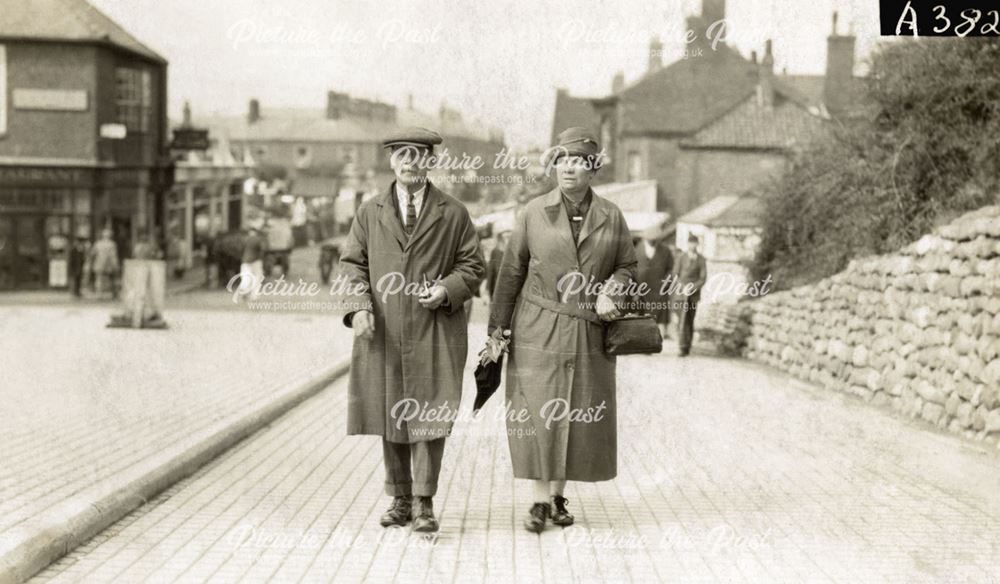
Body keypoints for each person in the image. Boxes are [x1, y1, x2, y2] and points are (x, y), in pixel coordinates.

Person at [488, 127, 637, 533]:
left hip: (590, 329)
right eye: (563, 160)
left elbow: (627, 265)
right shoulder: (533, 212)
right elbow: (511, 272)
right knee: (540, 412)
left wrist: (614, 289)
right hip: (538, 328)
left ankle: (557, 496)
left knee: (576, 411)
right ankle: (538, 500)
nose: (569, 168)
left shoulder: (611, 215)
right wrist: (497, 334)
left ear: (593, 169)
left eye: (578, 161)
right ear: (554, 164)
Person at [338, 127, 485, 533]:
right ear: (391, 162)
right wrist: (358, 308)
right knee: (391, 412)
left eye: (417, 155)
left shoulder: (453, 213)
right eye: (401, 154)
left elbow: (473, 266)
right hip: (385, 329)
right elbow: (351, 264)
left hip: (434, 328)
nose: (409, 162)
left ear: (431, 161)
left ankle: (424, 501)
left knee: (429, 414)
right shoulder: (370, 212)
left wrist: (446, 288)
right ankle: (399, 498)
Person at [634, 229, 674, 339]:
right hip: (642, 289)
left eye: (654, 240)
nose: (652, 241)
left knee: (658, 317)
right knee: (642, 315)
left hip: (658, 290)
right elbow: (631, 268)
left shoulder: (665, 251)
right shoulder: (637, 250)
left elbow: (671, 269)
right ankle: (643, 342)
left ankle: (655, 341)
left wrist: (666, 282)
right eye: (650, 240)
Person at [673, 233, 707, 357]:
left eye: (694, 243)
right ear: (687, 244)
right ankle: (681, 346)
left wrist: (692, 287)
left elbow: (703, 278)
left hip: (693, 296)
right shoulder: (681, 257)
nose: (692, 245)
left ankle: (687, 346)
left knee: (690, 320)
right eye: (690, 243)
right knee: (681, 320)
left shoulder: (701, 259)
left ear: (697, 244)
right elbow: (675, 275)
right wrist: (682, 287)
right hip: (681, 295)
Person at [90, 228, 120, 300]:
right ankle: (114, 294)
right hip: (108, 264)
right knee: (112, 279)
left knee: (99, 280)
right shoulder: (112, 244)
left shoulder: (98, 243)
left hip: (99, 264)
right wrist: (116, 265)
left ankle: (99, 294)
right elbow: (113, 256)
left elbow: (92, 253)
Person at [239, 226, 266, 301]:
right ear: (256, 232)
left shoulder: (244, 239)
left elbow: (240, 250)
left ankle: (244, 289)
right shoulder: (258, 240)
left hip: (245, 261)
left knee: (246, 278)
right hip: (256, 261)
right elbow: (263, 250)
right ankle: (254, 296)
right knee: (257, 278)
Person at [486, 230, 509, 299]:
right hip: (497, 289)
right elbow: (491, 271)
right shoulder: (495, 252)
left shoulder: (512, 253)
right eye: (506, 237)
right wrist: (487, 290)